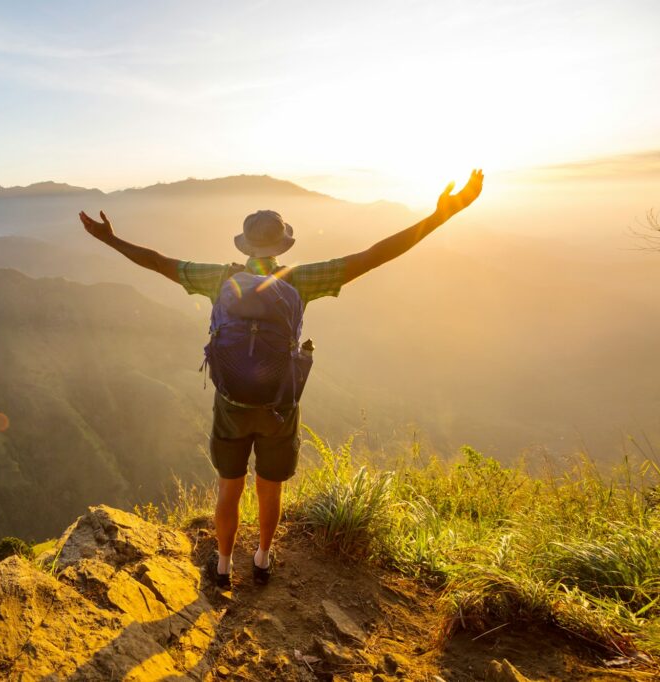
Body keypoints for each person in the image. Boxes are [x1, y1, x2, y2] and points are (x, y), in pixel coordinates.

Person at [79, 169, 483, 588]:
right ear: (281, 245)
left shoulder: (218, 279)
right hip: (279, 405)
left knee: (228, 489)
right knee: (269, 490)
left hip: (231, 405)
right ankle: (263, 559)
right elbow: (374, 255)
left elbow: (158, 262)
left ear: (245, 244)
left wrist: (109, 239)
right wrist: (440, 217)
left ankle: (221, 566)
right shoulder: (301, 280)